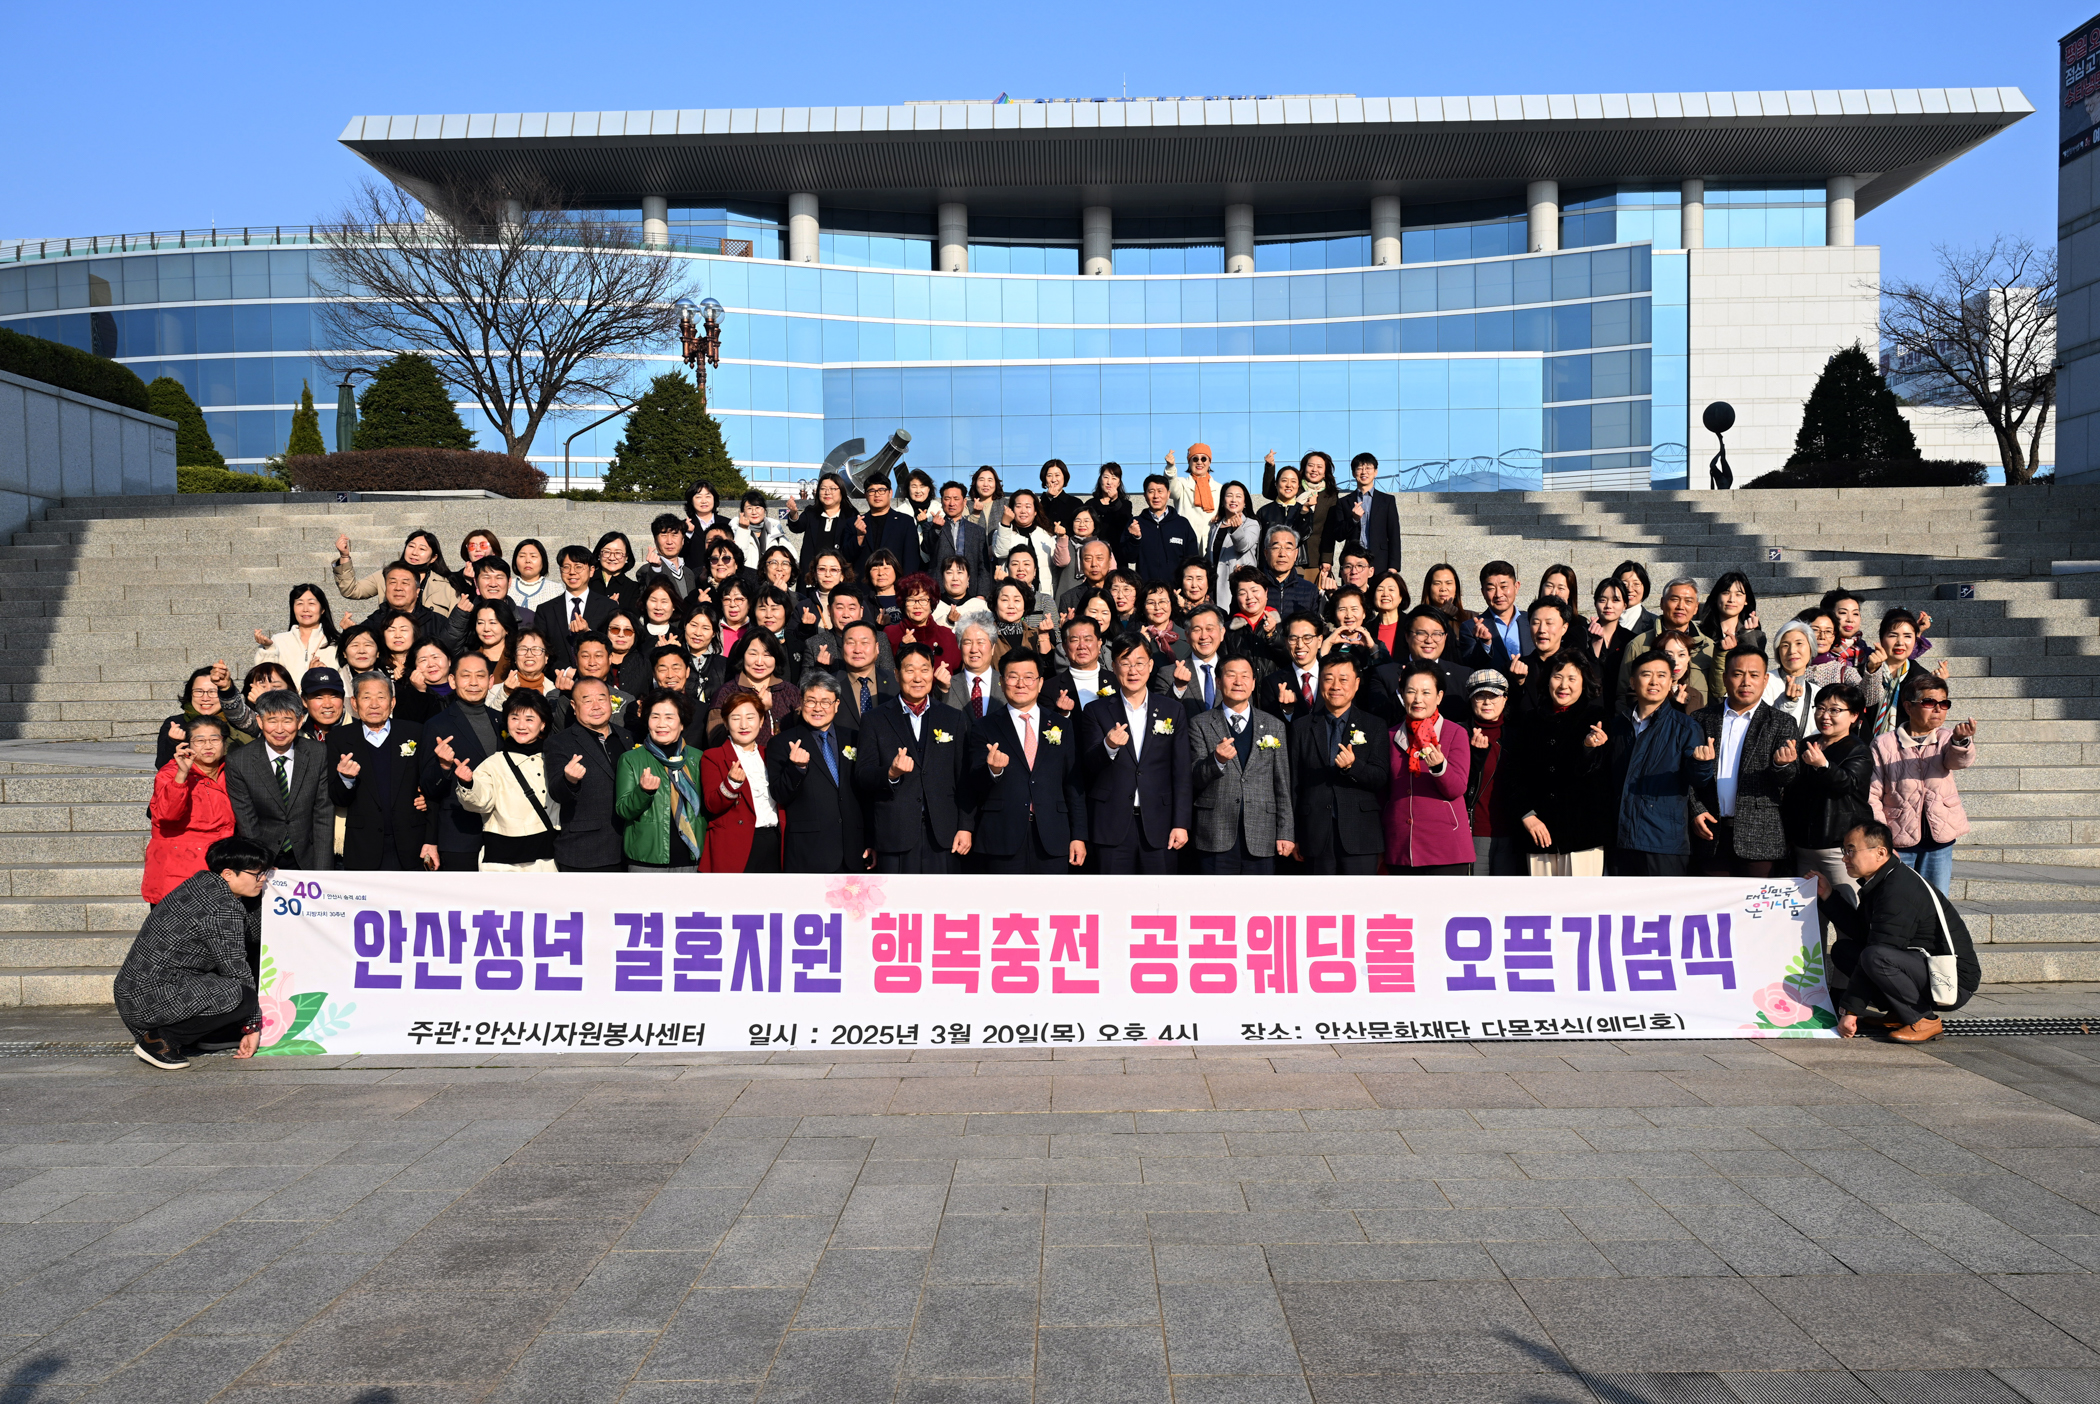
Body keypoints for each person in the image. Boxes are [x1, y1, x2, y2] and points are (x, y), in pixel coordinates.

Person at [1811, 819, 1980, 1042]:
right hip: (1921, 964)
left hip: (1952, 979)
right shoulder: (1883, 881)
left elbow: (1879, 950)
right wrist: (1829, 896)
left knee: (1875, 956)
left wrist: (1850, 1011)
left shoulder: (1898, 890)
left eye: (1851, 850)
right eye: (1845, 850)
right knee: (1845, 950)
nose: (1845, 858)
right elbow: (1862, 933)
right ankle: (1899, 1014)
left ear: (1880, 853)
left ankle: (1923, 1020)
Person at [116, 835, 273, 1070]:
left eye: (265, 872)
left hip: (133, 991)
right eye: (256, 874)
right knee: (241, 995)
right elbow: (236, 969)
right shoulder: (222, 908)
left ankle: (200, 1036)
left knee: (227, 988)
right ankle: (161, 1041)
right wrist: (252, 1027)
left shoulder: (202, 883)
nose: (263, 879)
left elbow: (249, 930)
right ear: (229, 873)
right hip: (151, 997)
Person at [854, 643, 973, 873]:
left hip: (944, 834)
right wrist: (890, 774)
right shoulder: (874, 719)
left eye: (924, 669)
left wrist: (965, 826)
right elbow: (862, 775)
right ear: (897, 674)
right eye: (909, 670)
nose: (917, 677)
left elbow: (964, 779)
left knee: (941, 904)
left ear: (933, 672)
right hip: (894, 833)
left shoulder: (953, 718)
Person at [967, 649, 1087, 874]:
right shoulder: (984, 727)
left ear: (1040, 683)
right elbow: (973, 784)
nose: (1021, 684)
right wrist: (992, 770)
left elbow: (1074, 784)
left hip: (1053, 835)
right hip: (1002, 837)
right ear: (1002, 682)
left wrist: (1078, 835)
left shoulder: (1062, 725)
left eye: (1029, 677)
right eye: (1013, 677)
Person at [1080, 635, 1191, 874]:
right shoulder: (1095, 711)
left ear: (1151, 666)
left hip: (1160, 826)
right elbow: (1087, 766)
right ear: (1113, 667)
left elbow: (1181, 772)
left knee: (1159, 904)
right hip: (1111, 825)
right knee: (1113, 903)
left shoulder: (1173, 709)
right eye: (1125, 662)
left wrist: (1180, 823)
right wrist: (1108, 745)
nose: (1133, 670)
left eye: (1140, 662)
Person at [1602, 651, 1718, 876]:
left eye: (1662, 675)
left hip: (1663, 841)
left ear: (1672, 682)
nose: (1654, 681)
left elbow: (1698, 781)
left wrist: (1702, 764)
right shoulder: (1617, 726)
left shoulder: (1686, 727)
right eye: (1646, 675)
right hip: (1620, 839)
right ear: (1633, 682)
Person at [1689, 647, 1802, 878]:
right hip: (1710, 832)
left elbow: (1788, 779)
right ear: (1725, 678)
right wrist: (1695, 810)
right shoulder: (1701, 719)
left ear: (1765, 679)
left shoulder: (1781, 723)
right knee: (1715, 908)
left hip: (1760, 837)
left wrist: (1782, 765)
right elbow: (1685, 772)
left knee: (1755, 912)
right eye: (1738, 674)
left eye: (1753, 675)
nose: (1745, 682)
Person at [1186, 654, 1294, 875]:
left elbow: (1282, 784)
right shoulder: (1200, 724)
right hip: (1215, 833)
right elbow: (1192, 778)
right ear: (1218, 681)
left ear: (1254, 683)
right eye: (1231, 675)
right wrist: (1216, 761)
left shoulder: (1273, 725)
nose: (1238, 681)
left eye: (1245, 676)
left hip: (1262, 833)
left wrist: (1286, 831)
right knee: (1217, 905)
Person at [1869, 673, 1976, 895]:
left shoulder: (1947, 738)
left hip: (1939, 840)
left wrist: (1961, 742)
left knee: (1936, 903)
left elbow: (1958, 761)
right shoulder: (1884, 744)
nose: (1938, 709)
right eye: (1929, 702)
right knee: (1899, 903)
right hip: (1898, 841)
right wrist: (1882, 837)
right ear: (1908, 707)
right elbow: (1872, 795)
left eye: (1944, 703)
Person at [1505, 654, 1611, 876]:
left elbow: (1600, 774)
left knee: (1581, 906)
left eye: (1572, 678)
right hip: (1538, 833)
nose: (1564, 685)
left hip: (1583, 836)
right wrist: (1527, 815)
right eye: (1558, 677)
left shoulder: (1599, 719)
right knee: (1541, 905)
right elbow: (1514, 773)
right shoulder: (1530, 720)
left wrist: (1589, 748)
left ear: (1584, 682)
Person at [1288, 649, 1390, 874]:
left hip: (1361, 833)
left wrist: (1354, 767)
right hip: (1314, 833)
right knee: (1321, 904)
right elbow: (1294, 784)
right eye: (1328, 679)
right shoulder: (1301, 727)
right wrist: (1293, 834)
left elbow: (1381, 778)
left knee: (1359, 903)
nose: (1335, 686)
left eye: (1344, 679)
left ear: (1356, 684)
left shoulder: (1374, 725)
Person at [433, 692, 559, 872]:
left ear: (543, 724)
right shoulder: (493, 764)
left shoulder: (554, 760)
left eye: (529, 719)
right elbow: (480, 802)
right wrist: (467, 783)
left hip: (547, 860)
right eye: (514, 718)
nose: (521, 725)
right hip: (504, 862)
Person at [1782, 682, 1873, 918]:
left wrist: (1823, 766)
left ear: (1853, 715)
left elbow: (1847, 785)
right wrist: (1783, 765)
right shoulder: (1806, 744)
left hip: (1839, 848)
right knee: (1808, 919)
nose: (1825, 716)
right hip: (1804, 847)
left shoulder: (1858, 749)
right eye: (1820, 708)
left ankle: (1849, 956)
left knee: (1846, 913)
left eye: (1835, 710)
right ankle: (1815, 957)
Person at [325, 672, 428, 872]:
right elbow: (337, 798)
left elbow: (428, 781)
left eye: (381, 697)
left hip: (411, 841)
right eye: (366, 697)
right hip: (364, 845)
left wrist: (425, 795)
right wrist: (346, 779)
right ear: (354, 703)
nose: (374, 704)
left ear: (392, 702)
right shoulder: (339, 739)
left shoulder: (414, 732)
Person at [225, 690, 334, 872]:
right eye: (272, 721)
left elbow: (323, 813)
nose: (280, 729)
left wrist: (322, 870)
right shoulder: (239, 761)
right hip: (264, 853)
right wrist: (259, 864)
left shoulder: (318, 753)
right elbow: (247, 820)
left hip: (307, 854)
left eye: (287, 720)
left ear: (300, 721)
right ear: (260, 721)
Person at [413, 652, 502, 872]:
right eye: (466, 676)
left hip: (501, 833)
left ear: (491, 681)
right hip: (459, 836)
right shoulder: (437, 725)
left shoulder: (503, 720)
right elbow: (428, 787)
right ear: (452, 680)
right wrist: (443, 767)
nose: (473, 682)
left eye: (480, 676)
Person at [769, 674, 867, 874]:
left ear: (836, 704)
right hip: (809, 852)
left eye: (825, 702)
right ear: (801, 702)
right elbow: (779, 794)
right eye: (811, 701)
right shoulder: (781, 743)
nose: (818, 708)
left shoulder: (855, 738)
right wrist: (796, 769)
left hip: (855, 851)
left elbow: (867, 794)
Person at [1378, 660, 1469, 874]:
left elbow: (1456, 789)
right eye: (1411, 691)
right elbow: (1383, 793)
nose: (1418, 699)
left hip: (1446, 847)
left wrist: (1439, 768)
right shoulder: (1389, 736)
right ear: (1401, 693)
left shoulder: (1455, 733)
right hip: (1400, 846)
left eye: (1426, 693)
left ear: (1439, 696)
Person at [145, 712, 238, 904]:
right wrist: (182, 775)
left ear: (224, 743)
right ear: (188, 745)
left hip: (221, 863)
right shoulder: (171, 772)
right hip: (178, 869)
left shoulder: (234, 771)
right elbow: (166, 815)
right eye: (200, 740)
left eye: (214, 739)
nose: (208, 746)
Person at [610, 691, 709, 874]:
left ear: (682, 723)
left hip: (693, 860)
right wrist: (643, 792)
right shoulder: (631, 759)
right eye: (655, 717)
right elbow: (623, 810)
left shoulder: (699, 758)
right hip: (647, 861)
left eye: (669, 717)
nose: (661, 724)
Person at [543, 677, 634, 873]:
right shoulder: (559, 742)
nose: (596, 706)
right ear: (574, 706)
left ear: (611, 701)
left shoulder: (626, 737)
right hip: (584, 850)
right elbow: (556, 792)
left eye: (601, 699)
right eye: (587, 700)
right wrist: (570, 780)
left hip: (629, 847)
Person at [1617, 578, 1721, 702]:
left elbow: (1718, 693)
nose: (1681, 606)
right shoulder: (1640, 644)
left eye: (1688, 601)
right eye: (1674, 599)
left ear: (1696, 608)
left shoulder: (1708, 647)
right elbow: (1623, 693)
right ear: (1662, 603)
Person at [1464, 670, 1523, 876]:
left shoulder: (1517, 736)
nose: (1487, 702)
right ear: (1471, 699)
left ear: (1505, 699)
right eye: (1480, 695)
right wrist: (1475, 756)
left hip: (1512, 833)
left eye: (1494, 696)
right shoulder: (1459, 734)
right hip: (1475, 833)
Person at [1864, 608, 1948, 737]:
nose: (1900, 642)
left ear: (1915, 641)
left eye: (1908, 636)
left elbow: (1928, 721)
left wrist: (1933, 690)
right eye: (1893, 635)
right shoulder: (1865, 670)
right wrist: (1871, 673)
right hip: (1864, 749)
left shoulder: (1920, 677)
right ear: (1881, 639)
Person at [534, 545, 619, 669]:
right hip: (559, 679)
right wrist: (565, 672)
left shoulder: (608, 606)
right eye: (566, 567)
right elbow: (540, 650)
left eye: (578, 567)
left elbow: (614, 646)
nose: (572, 572)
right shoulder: (545, 610)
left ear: (591, 571)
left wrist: (588, 633)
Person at [333, 530, 456, 614]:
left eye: (422, 549)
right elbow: (351, 590)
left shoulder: (447, 585)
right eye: (411, 546)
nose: (414, 552)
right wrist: (344, 556)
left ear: (434, 557)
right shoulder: (384, 576)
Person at [157, 664, 254, 769]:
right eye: (199, 692)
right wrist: (173, 743)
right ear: (190, 694)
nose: (205, 698)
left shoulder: (241, 722)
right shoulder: (176, 724)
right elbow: (162, 765)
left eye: (213, 692)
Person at [1325, 451, 1402, 574]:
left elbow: (1394, 534)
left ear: (1375, 472)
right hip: (1352, 562)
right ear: (1354, 473)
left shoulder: (1387, 501)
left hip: (1380, 562)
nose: (1364, 472)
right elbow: (1338, 535)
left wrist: (1394, 566)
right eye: (1360, 468)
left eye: (1368, 468)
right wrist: (1353, 519)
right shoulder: (1344, 502)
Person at [252, 583, 341, 689]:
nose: (305, 609)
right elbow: (264, 680)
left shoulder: (336, 642)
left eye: (311, 603)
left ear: (322, 609)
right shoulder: (279, 640)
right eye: (299, 604)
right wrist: (269, 648)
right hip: (286, 704)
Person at [1123, 474, 1201, 585]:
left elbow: (1192, 561)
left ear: (1168, 494)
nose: (1156, 496)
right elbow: (1129, 558)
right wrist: (1135, 538)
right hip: (1146, 591)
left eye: (1160, 491)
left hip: (1175, 591)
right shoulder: (1135, 524)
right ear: (1145, 495)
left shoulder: (1182, 524)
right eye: (1151, 491)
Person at [1255, 613, 1326, 724]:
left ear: (1320, 641)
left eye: (1307, 638)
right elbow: (1271, 728)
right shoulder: (1272, 683)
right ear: (1286, 642)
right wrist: (1287, 711)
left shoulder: (1333, 676)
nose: (1300, 645)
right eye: (1293, 639)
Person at [1466, 561, 1530, 675]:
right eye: (1491, 588)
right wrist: (1485, 643)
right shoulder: (1470, 627)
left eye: (1504, 587)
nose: (1498, 594)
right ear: (1483, 592)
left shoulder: (1532, 621)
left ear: (1516, 587)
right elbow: (1470, 666)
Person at [853, 472, 923, 576]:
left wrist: (906, 585)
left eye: (881, 490)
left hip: (895, 586)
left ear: (890, 493)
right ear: (866, 496)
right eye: (872, 491)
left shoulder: (905, 521)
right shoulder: (855, 523)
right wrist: (859, 536)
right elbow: (847, 557)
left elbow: (911, 558)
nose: (877, 494)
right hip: (863, 586)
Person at [1763, 619, 1824, 735]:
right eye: (1785, 645)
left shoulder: (1817, 692)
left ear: (1811, 648)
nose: (1792, 650)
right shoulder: (1765, 682)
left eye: (1799, 643)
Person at [927, 480, 992, 584]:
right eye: (947, 499)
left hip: (971, 589)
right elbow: (926, 548)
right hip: (939, 588)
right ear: (942, 501)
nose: (951, 503)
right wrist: (936, 529)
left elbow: (983, 566)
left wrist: (981, 594)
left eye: (956, 499)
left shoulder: (977, 531)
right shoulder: (931, 526)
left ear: (964, 501)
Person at [787, 475, 860, 567]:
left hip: (839, 573)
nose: (827, 492)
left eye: (832, 488)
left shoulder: (851, 515)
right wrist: (793, 513)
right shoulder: (811, 512)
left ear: (842, 491)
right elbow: (797, 527)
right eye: (823, 488)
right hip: (811, 573)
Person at [837, 620, 899, 729]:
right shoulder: (829, 684)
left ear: (877, 647)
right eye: (851, 643)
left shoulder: (896, 683)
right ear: (842, 647)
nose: (858, 650)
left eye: (864, 643)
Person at [1254, 526, 1320, 619]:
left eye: (1288, 548)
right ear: (1266, 553)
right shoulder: (1254, 587)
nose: (1282, 554)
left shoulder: (1310, 590)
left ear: (1296, 554)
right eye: (1276, 547)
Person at [1163, 443, 1223, 541]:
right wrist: (1170, 467)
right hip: (1187, 539)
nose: (1199, 462)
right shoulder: (1182, 484)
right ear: (1189, 462)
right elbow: (1172, 490)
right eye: (1195, 459)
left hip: (1211, 540)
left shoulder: (1220, 488)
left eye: (1203, 459)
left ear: (1209, 462)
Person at [1697, 571, 1766, 655]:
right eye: (1726, 593)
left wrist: (1747, 634)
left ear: (1746, 600)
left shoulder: (1758, 636)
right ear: (1716, 597)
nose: (1731, 600)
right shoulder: (1699, 633)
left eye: (1738, 594)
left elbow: (1754, 664)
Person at [946, 621, 1004, 720]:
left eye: (980, 642)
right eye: (967, 642)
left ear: (993, 647)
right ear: (960, 647)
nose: (974, 649)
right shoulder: (947, 685)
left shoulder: (1006, 683)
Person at [509, 539, 558, 616]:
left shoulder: (555, 589)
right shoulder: (507, 587)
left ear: (543, 560)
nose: (528, 560)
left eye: (533, 556)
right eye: (522, 556)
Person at [299, 666, 346, 746]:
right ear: (304, 701)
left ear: (343, 698)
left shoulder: (361, 731)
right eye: (319, 697)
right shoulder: (295, 735)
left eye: (334, 696)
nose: (327, 705)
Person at [1613, 560, 1656, 637]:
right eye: (1624, 584)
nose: (1629, 589)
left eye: (1636, 584)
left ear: (1645, 587)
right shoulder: (1601, 623)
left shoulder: (1655, 624)